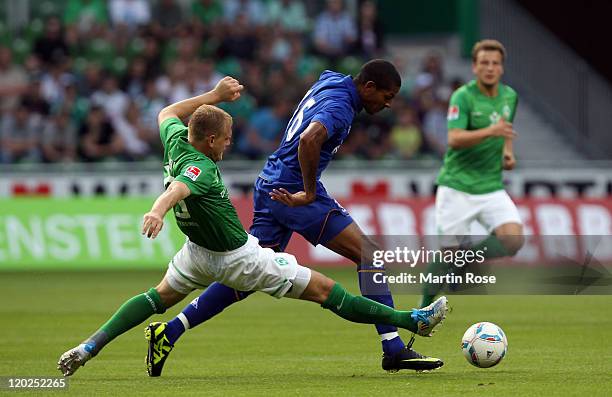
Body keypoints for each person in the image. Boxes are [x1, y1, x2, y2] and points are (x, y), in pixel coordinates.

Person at [57, 76, 449, 377]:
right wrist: (158, 209)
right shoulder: (204, 169)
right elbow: (180, 187)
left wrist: (212, 96)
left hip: (195, 255)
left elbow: (165, 114)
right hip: (246, 248)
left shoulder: (177, 141)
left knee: (155, 298)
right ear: (210, 140)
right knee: (332, 287)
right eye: (226, 140)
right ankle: (404, 327)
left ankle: (103, 344)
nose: (229, 145)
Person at [159, 59, 446, 374]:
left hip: (271, 181)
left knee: (249, 272)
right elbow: (310, 138)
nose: (388, 104)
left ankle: (170, 331)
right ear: (368, 87)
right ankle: (393, 348)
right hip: (292, 190)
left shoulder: (332, 80)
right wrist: (309, 192)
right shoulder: (340, 107)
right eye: (386, 96)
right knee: (369, 254)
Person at [419, 39, 525, 308]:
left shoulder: (509, 96)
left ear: (501, 68)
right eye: (484, 63)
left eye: (495, 63)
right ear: (475, 67)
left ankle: (463, 263)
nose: (490, 68)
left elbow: (506, 129)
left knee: (513, 239)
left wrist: (508, 153)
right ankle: (421, 311)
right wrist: (491, 132)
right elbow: (454, 138)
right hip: (457, 186)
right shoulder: (462, 97)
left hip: (491, 186)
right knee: (447, 253)